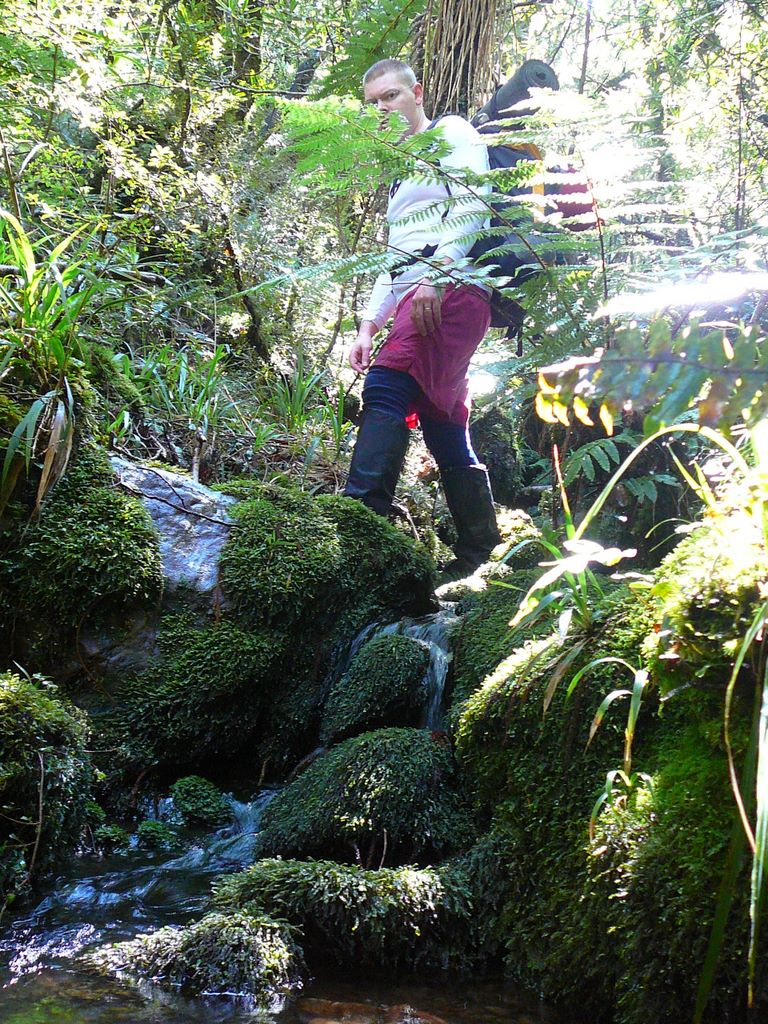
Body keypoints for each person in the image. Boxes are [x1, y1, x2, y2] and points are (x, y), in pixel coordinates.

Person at [344, 58, 501, 580]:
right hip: (422, 289)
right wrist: (368, 326)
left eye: (390, 96)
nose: (383, 108)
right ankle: (480, 552)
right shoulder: (400, 174)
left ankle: (360, 529)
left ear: (416, 93)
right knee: (441, 414)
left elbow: (474, 203)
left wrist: (440, 269)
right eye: (373, 103)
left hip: (451, 288)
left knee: (387, 385)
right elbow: (396, 257)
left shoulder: (452, 131)